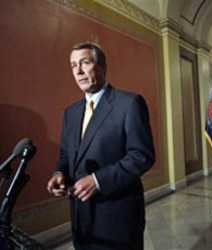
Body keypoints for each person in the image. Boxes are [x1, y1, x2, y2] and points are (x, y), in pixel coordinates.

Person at [47, 42, 155, 250]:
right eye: (73, 65)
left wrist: (98, 181)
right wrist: (59, 173)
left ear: (103, 66)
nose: (78, 71)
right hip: (81, 217)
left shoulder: (129, 103)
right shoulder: (71, 112)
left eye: (84, 63)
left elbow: (142, 156)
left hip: (117, 217)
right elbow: (66, 153)